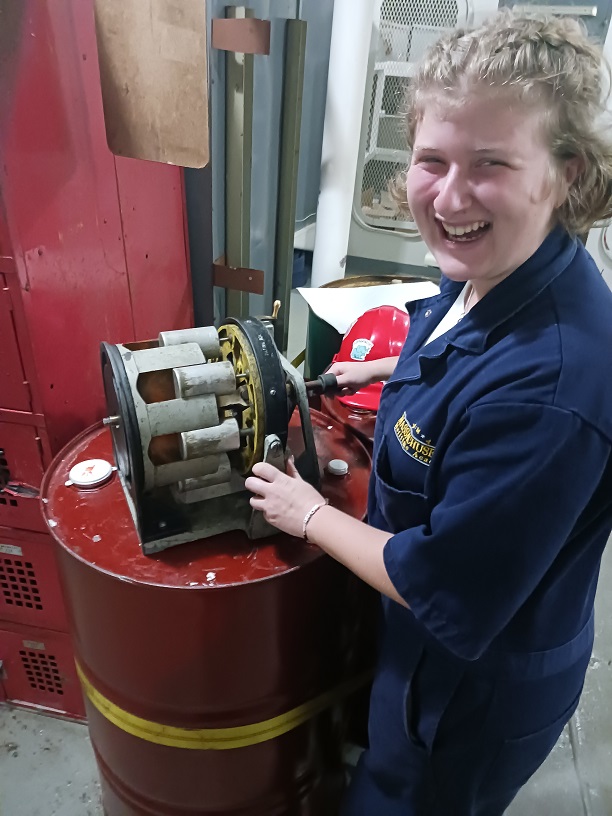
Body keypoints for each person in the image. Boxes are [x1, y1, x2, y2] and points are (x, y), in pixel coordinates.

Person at [246, 11, 612, 815]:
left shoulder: (550, 390)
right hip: (421, 656)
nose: (449, 197)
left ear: (568, 173)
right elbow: (456, 328)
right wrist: (383, 364)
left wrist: (307, 513)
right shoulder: (499, 264)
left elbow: (448, 589)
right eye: (431, 159)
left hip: (466, 696)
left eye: (490, 164)